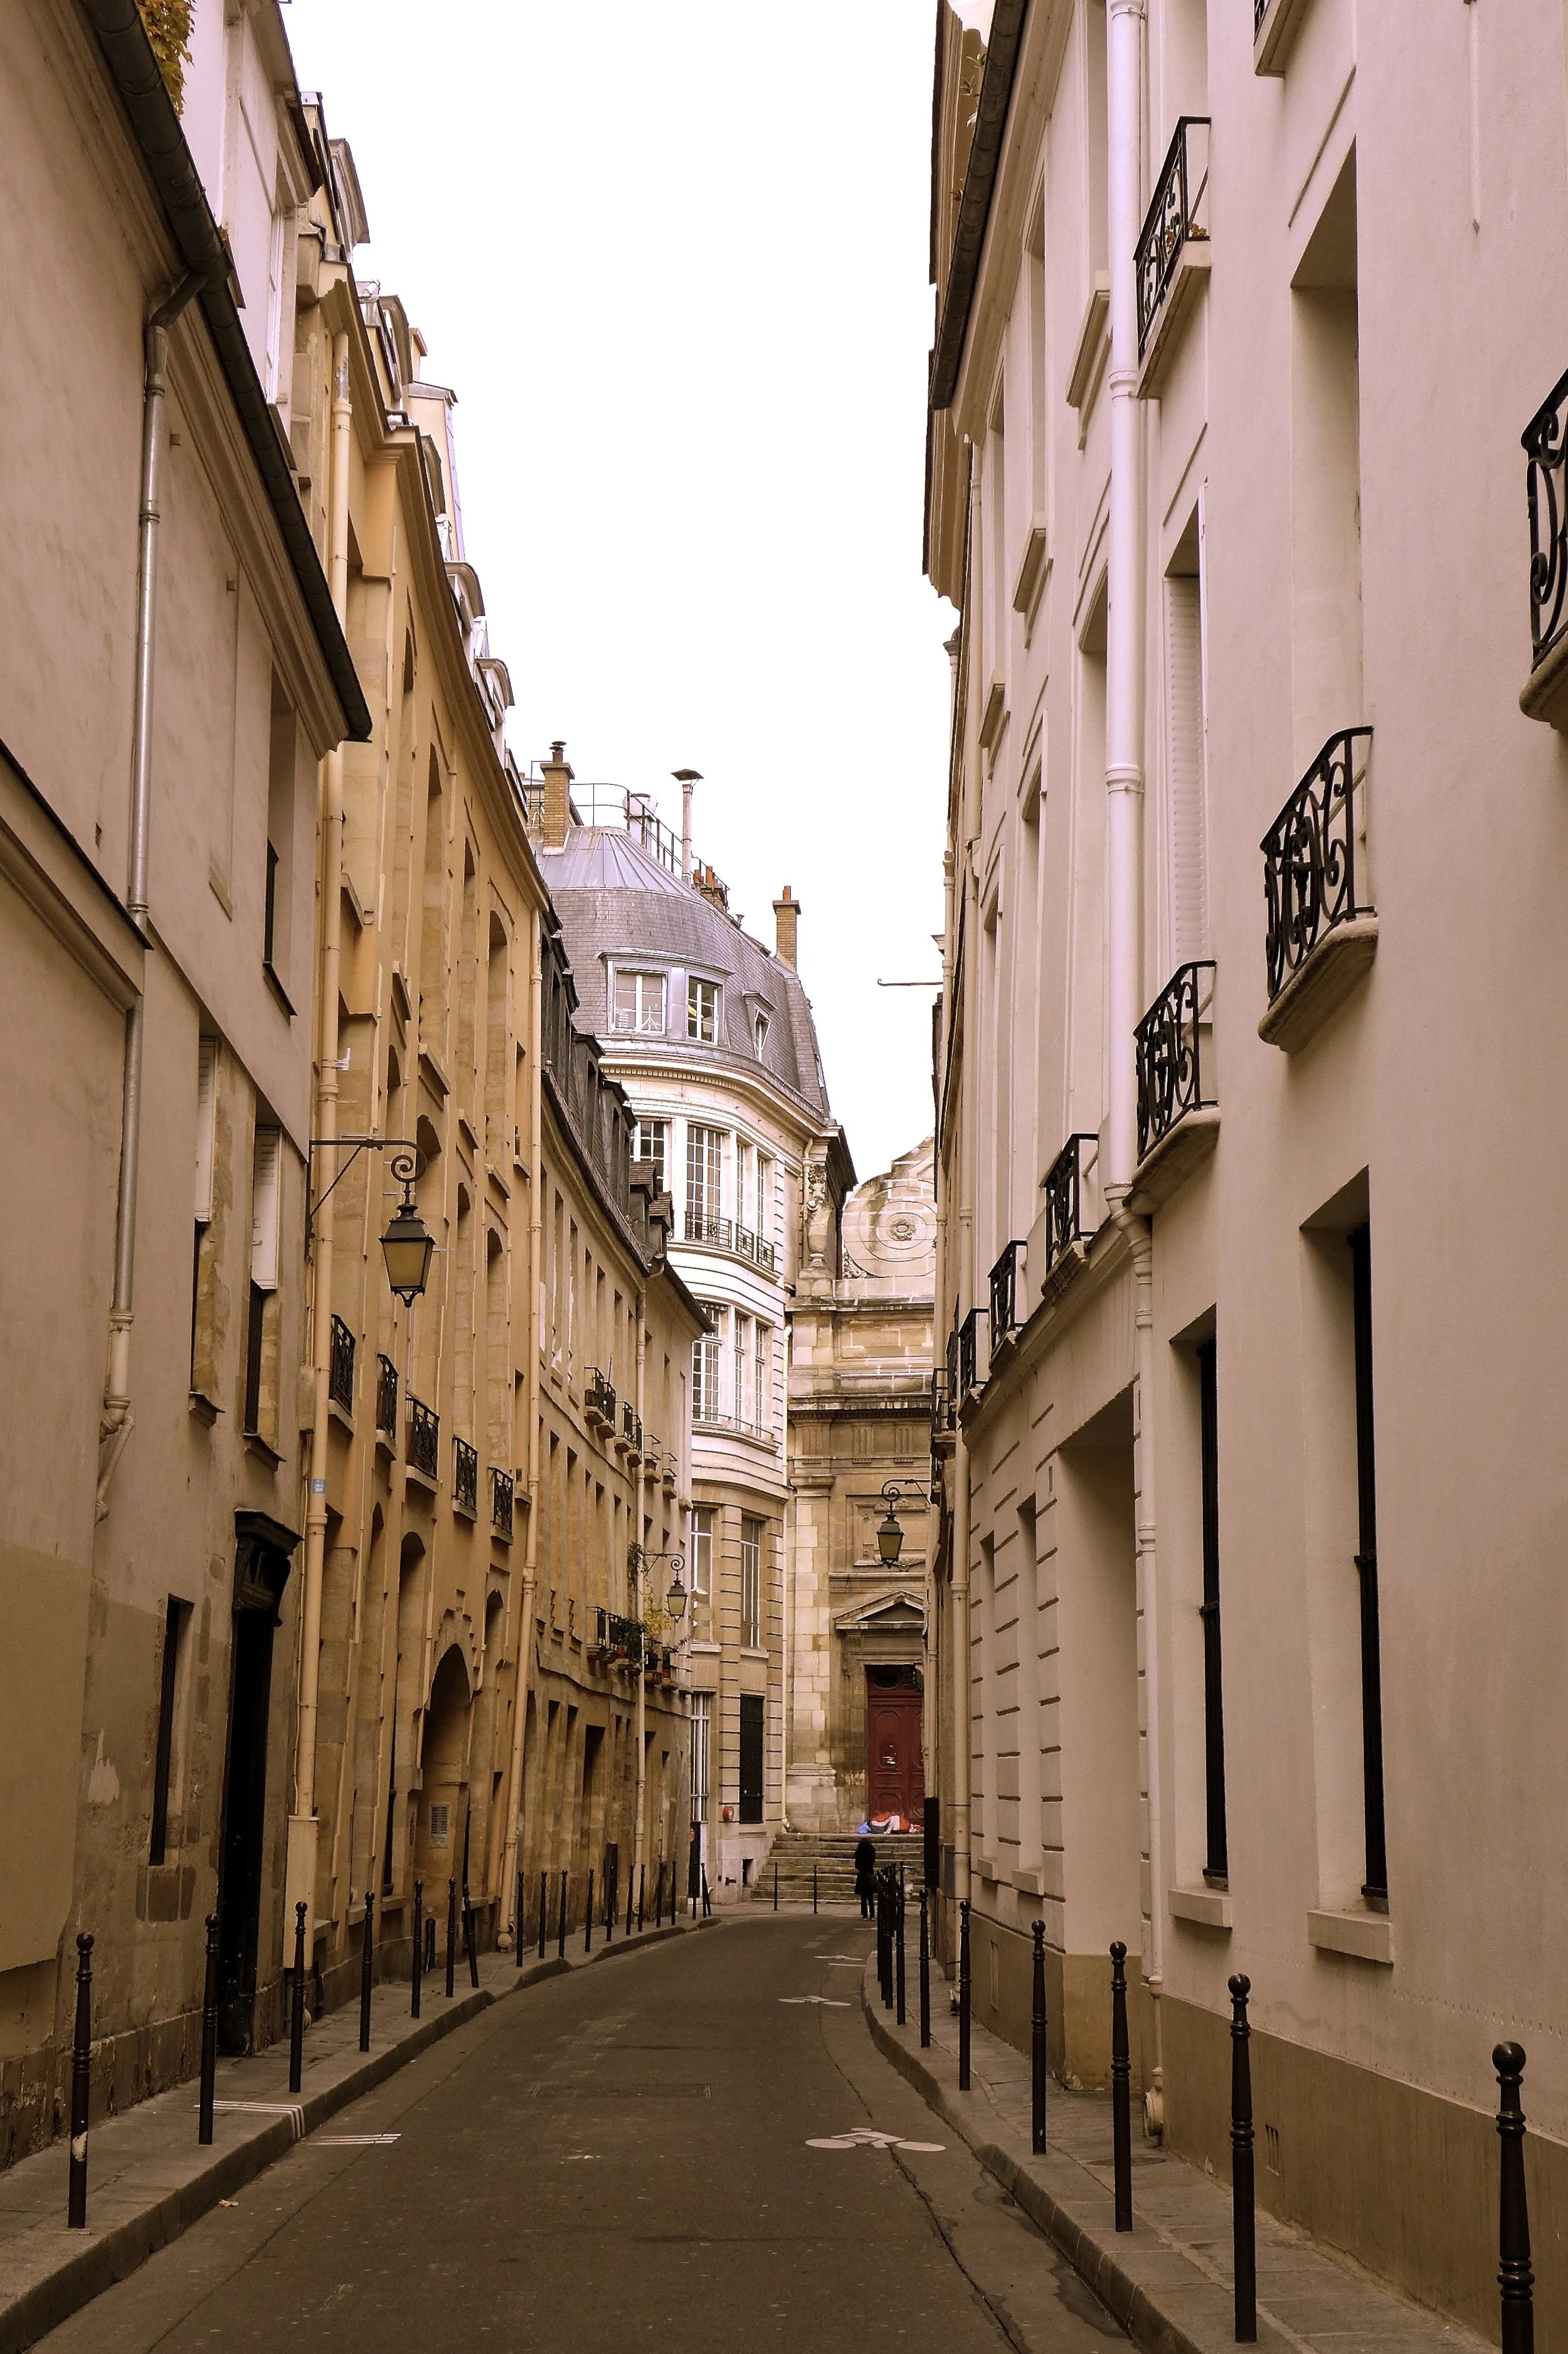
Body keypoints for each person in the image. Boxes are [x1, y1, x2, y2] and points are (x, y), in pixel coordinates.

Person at [854, 1834, 877, 1920]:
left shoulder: (859, 1853)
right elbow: (872, 1861)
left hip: (862, 1874)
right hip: (870, 1874)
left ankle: (865, 1914)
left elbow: (857, 1865)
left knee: (863, 1896)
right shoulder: (871, 1852)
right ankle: (872, 1914)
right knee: (870, 1896)